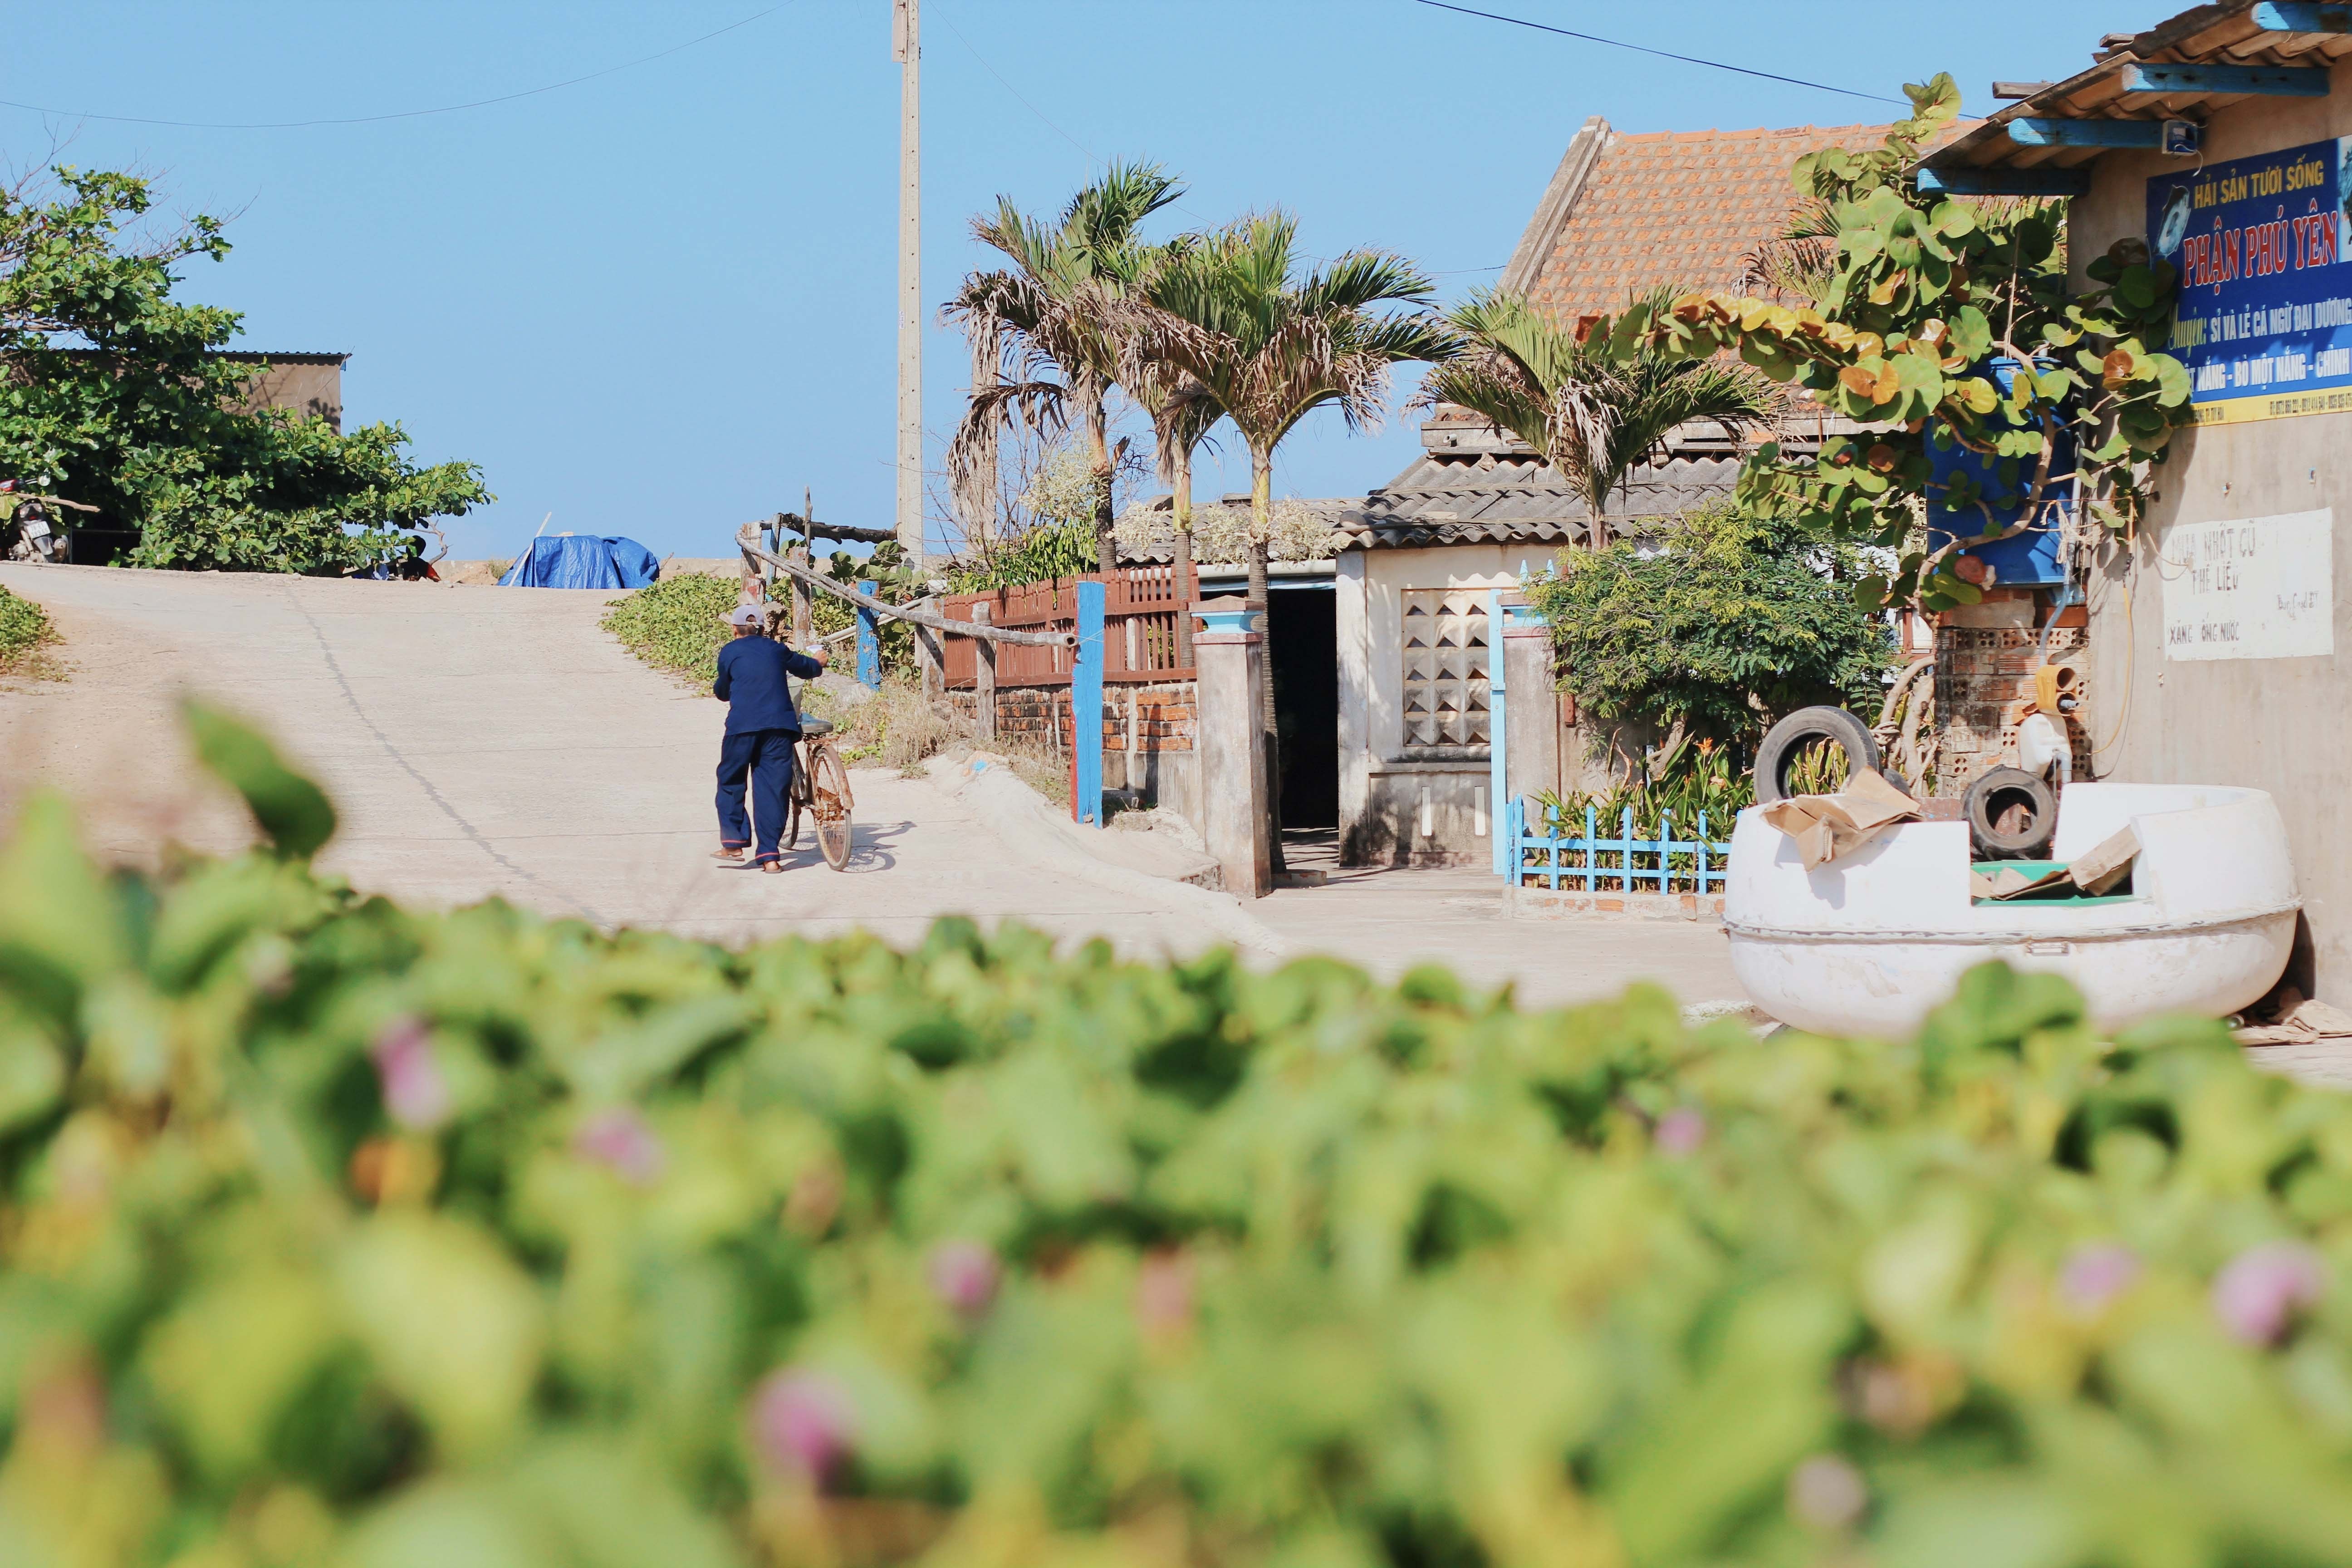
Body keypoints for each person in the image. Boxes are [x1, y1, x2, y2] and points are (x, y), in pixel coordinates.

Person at [712, 604, 828, 872]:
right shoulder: (777, 649)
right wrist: (818, 663)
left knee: (731, 780)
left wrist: (725, 687)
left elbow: (723, 691)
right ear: (763, 629)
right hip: (778, 728)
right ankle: (770, 857)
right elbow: (806, 668)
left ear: (734, 629)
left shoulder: (729, 652)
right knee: (773, 789)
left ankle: (734, 843)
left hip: (742, 729)